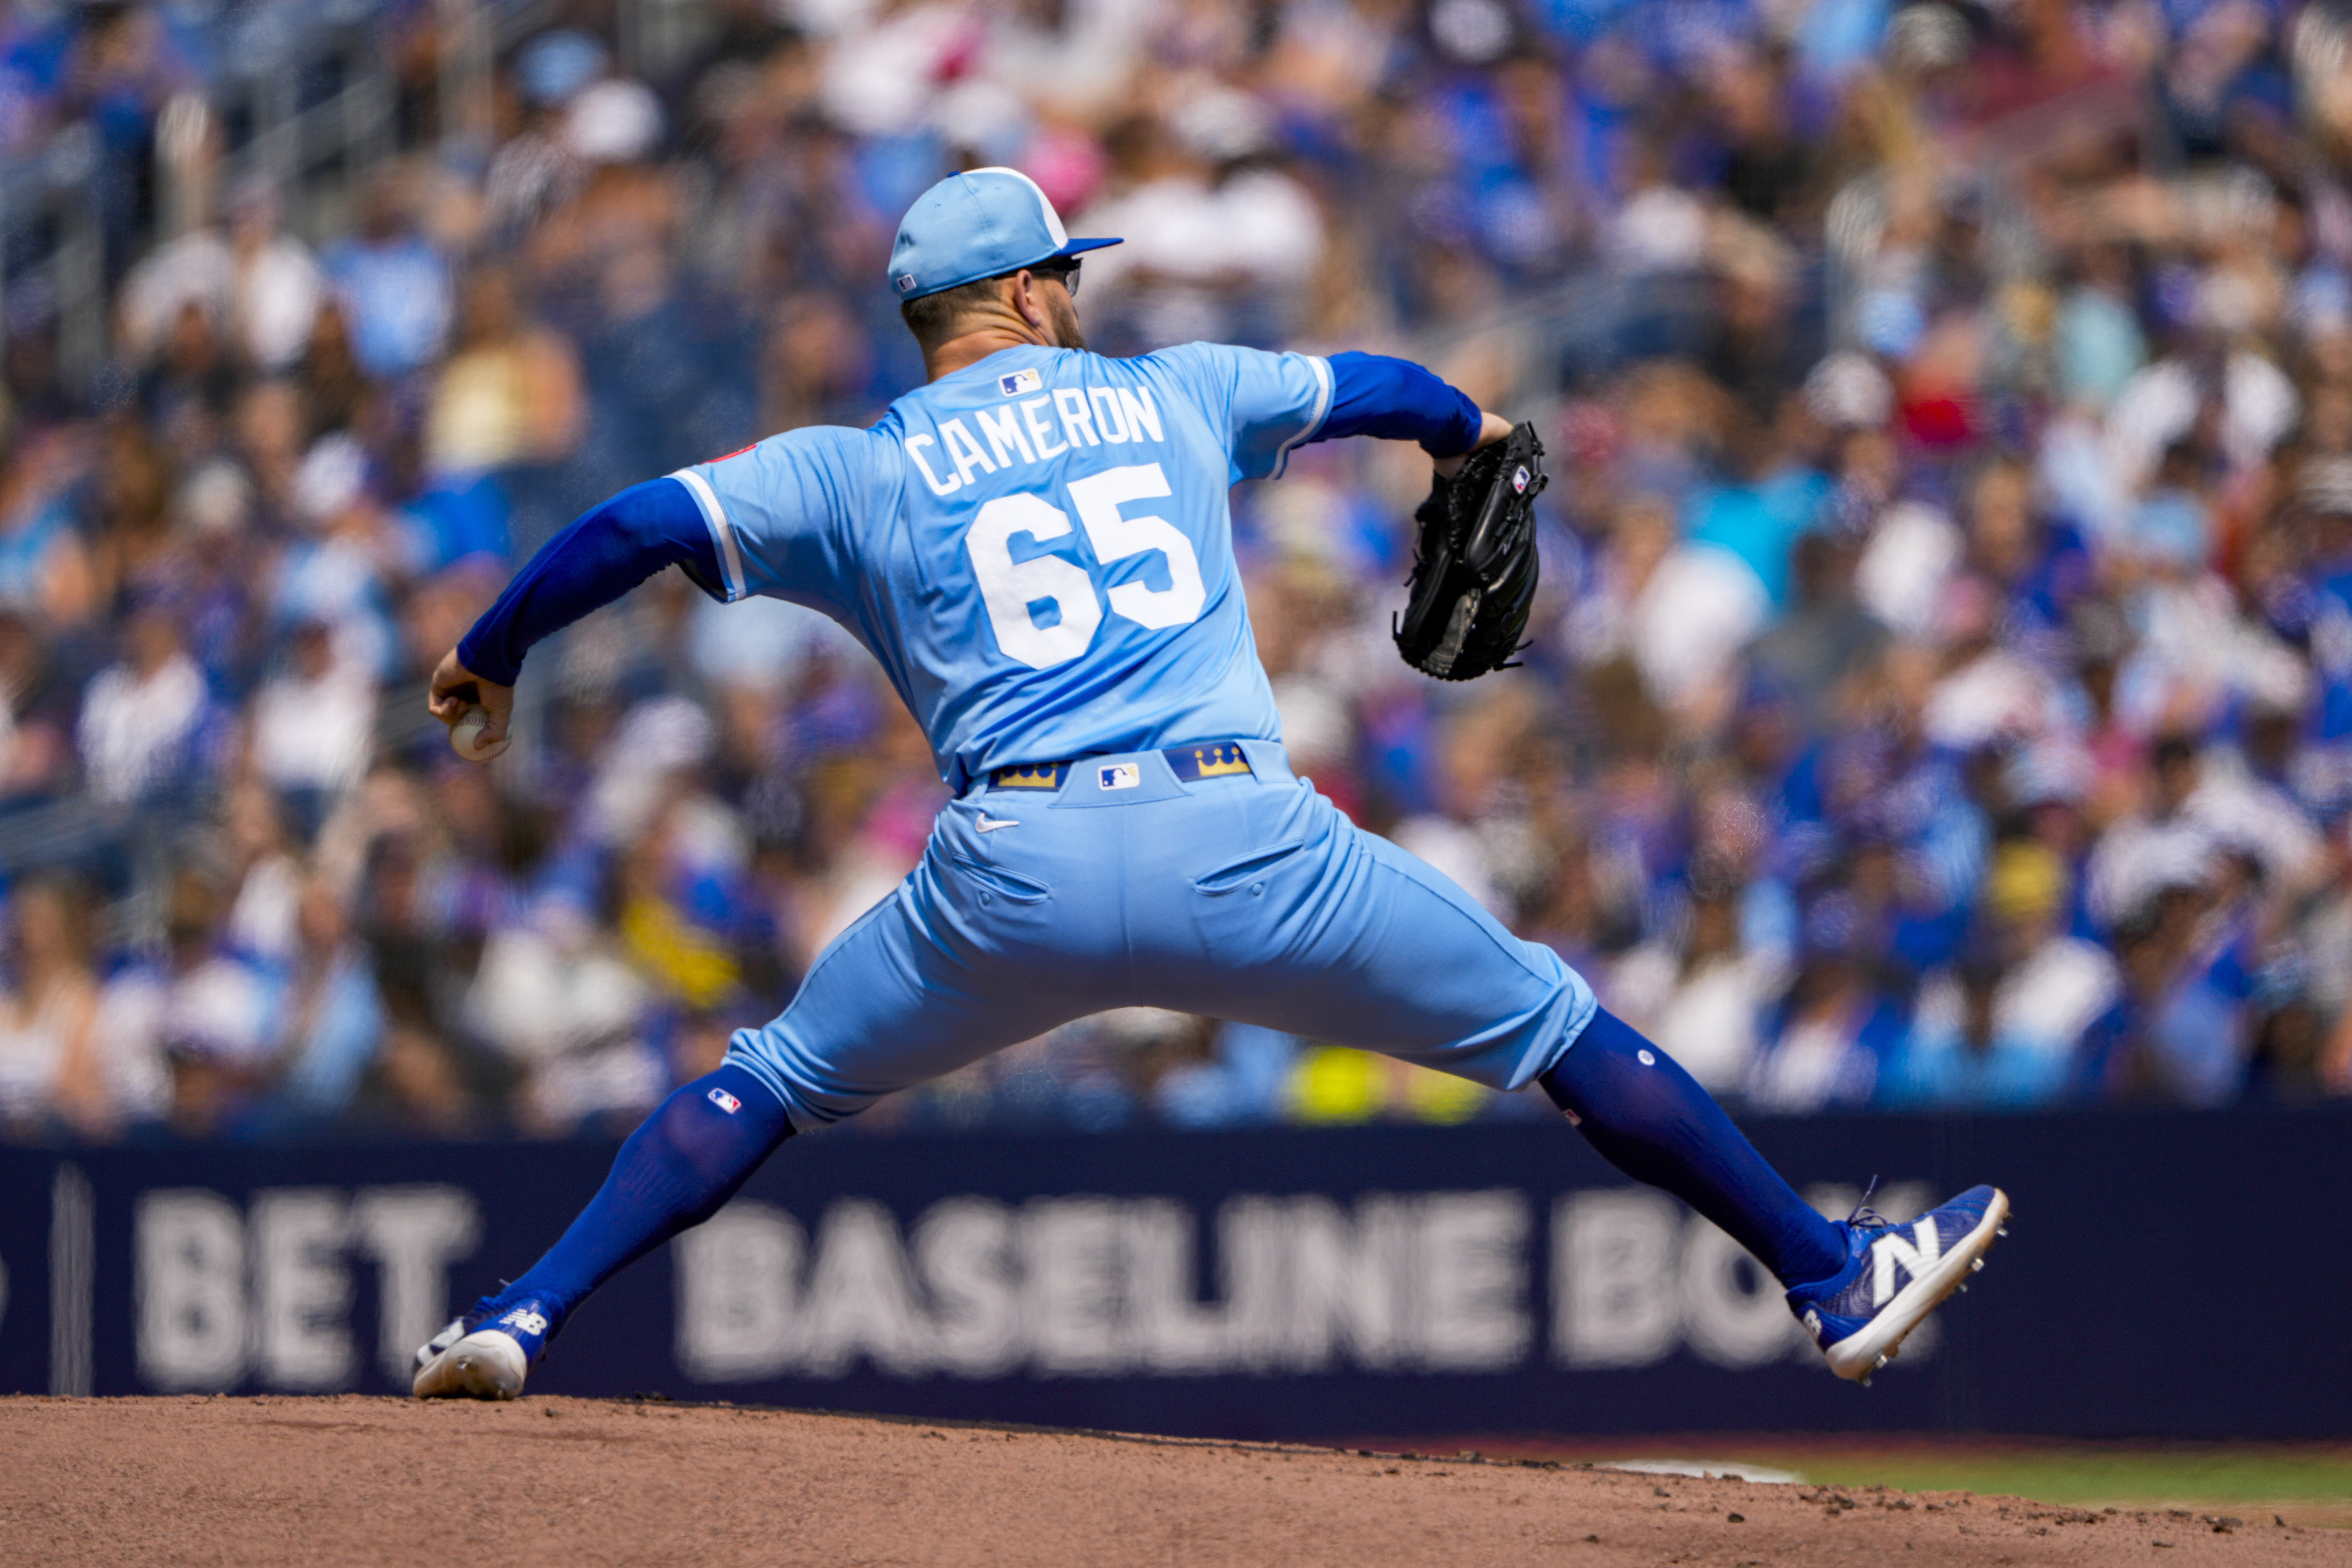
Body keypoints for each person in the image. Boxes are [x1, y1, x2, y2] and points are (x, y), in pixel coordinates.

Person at [412, 168, 2007, 1400]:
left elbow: (625, 526)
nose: (1077, 295)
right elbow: (1377, 385)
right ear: (1026, 295)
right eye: (1064, 272)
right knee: (1557, 1030)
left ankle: (523, 1307)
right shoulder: (1172, 391)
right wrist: (1476, 428)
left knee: (769, 1077)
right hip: (1247, 843)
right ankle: (1826, 1275)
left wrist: (492, 652)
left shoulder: (856, 463)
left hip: (1010, 869)